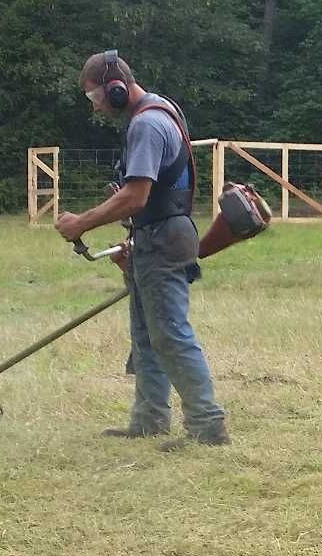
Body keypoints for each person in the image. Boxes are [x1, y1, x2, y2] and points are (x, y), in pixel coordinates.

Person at [56, 50, 229, 449]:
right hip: (157, 233)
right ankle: (150, 418)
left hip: (164, 237)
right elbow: (146, 195)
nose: (95, 106)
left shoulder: (147, 125)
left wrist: (81, 222)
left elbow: (136, 196)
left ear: (114, 88)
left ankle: (208, 424)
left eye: (93, 96)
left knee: (169, 334)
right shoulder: (161, 110)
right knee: (147, 334)